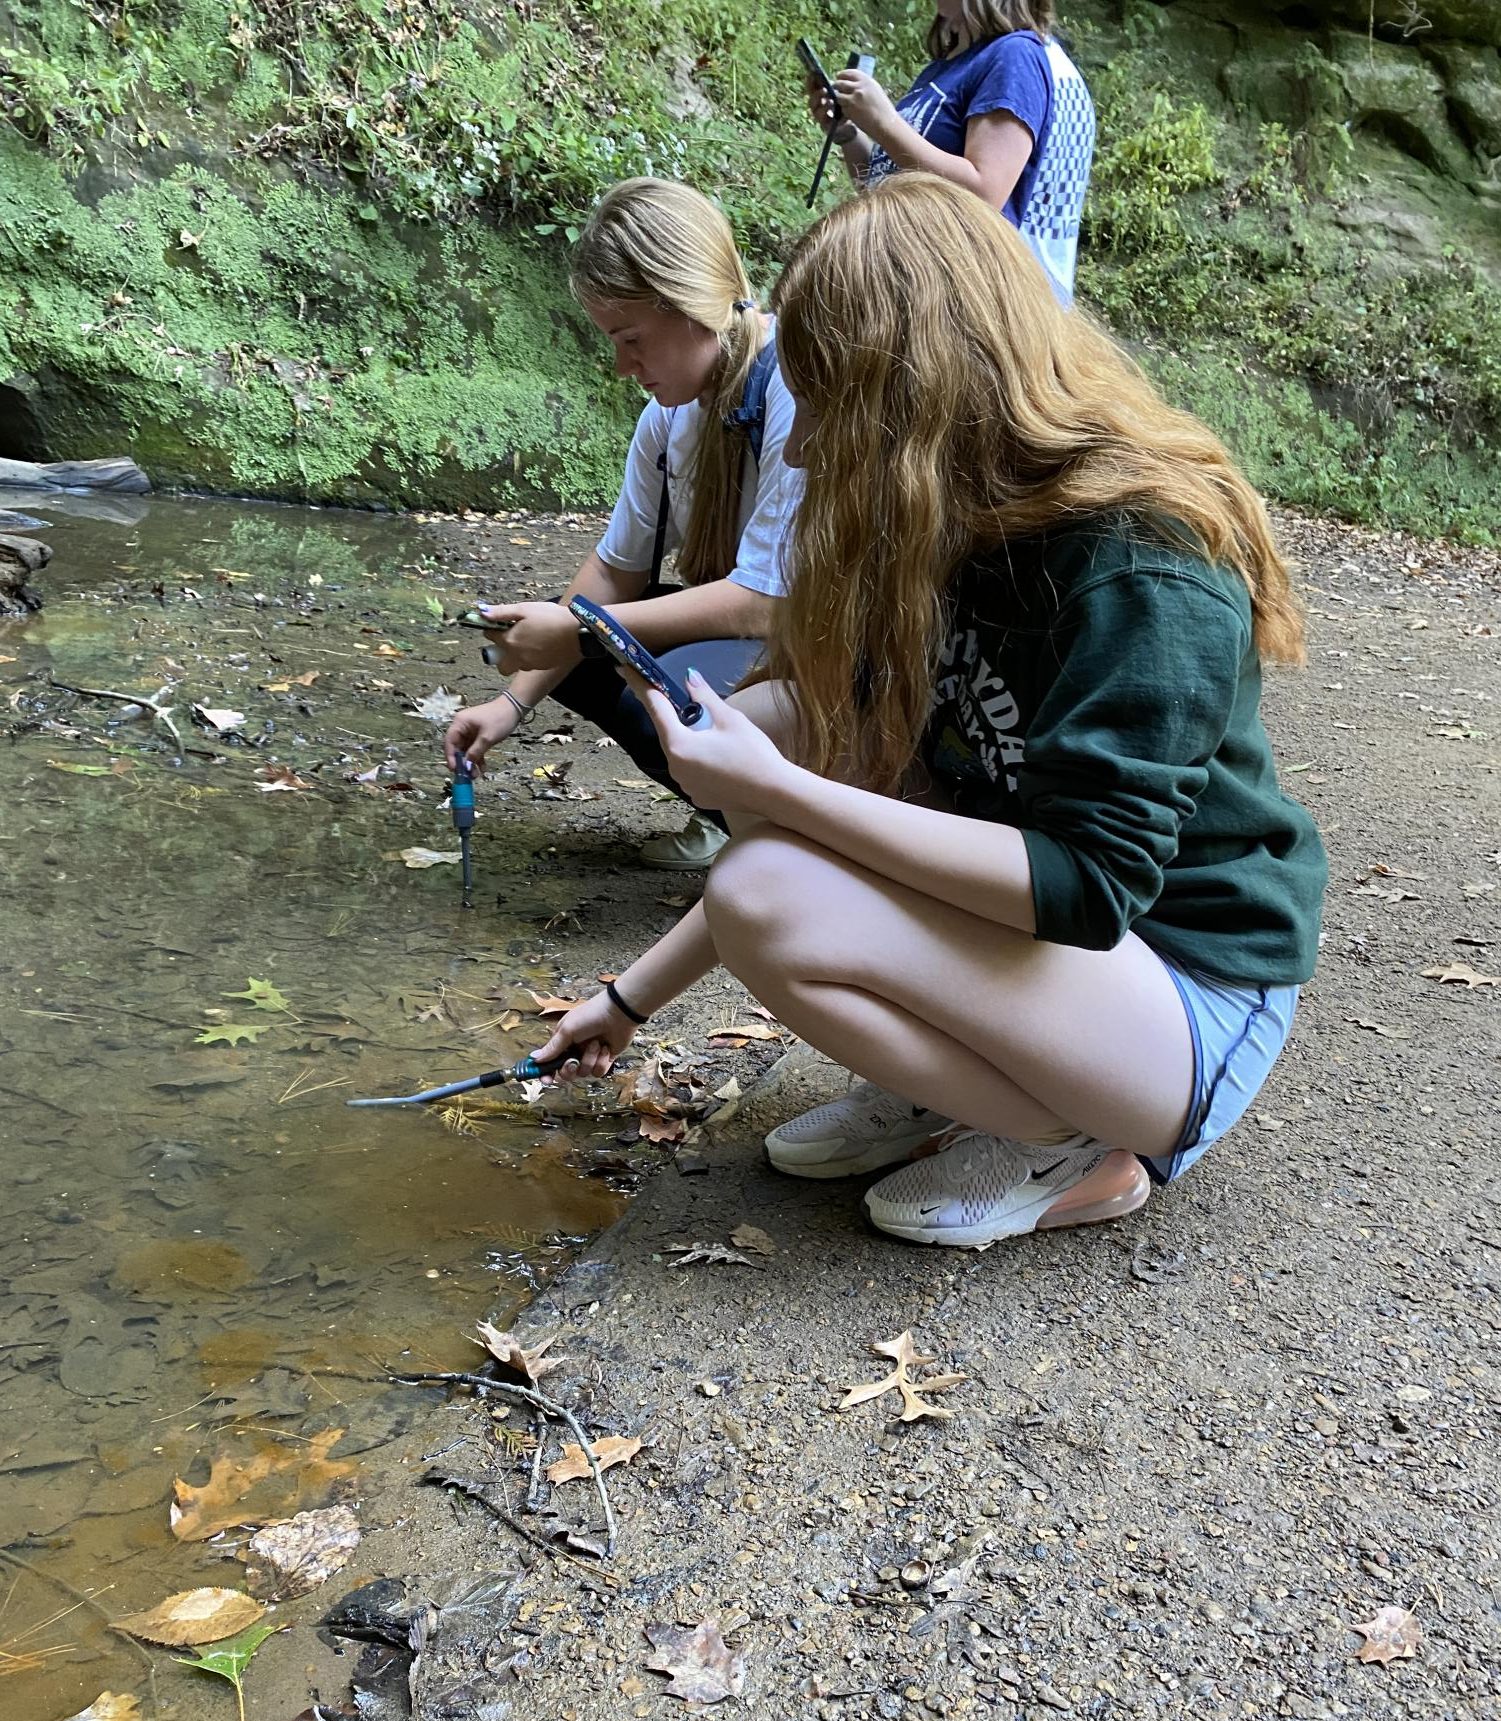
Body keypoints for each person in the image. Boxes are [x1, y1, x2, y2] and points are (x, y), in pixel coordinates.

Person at [529, 175, 1327, 1251]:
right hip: (1061, 956)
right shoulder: (950, 530)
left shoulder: (1141, 566)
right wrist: (628, 1003)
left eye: (828, 408)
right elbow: (836, 746)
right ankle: (966, 1088)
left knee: (766, 880)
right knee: (782, 726)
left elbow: (1089, 886)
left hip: (1186, 989)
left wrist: (781, 798)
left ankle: (1068, 1136)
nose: (803, 452)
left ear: (918, 391)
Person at [444, 178, 801, 870]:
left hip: (828, 645)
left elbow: (764, 602)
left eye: (632, 339)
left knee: (640, 681)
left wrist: (584, 629)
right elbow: (615, 571)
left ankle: (779, 832)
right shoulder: (668, 421)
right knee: (571, 655)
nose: (620, 366)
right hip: (760, 636)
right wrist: (508, 707)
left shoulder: (793, 386)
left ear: (694, 302)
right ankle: (730, 813)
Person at [807, 1, 1094, 305]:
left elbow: (983, 195)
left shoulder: (1015, 56)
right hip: (897, 286)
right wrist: (849, 134)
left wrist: (885, 122)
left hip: (949, 304)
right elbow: (889, 182)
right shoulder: (946, 66)